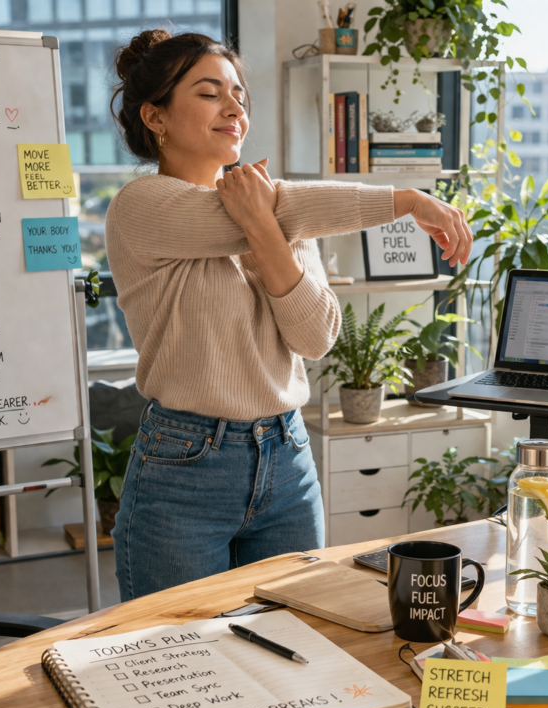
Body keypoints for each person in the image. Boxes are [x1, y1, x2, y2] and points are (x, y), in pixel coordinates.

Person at [105, 30, 473, 601]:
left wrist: (265, 230)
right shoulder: (141, 207)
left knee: (295, 641)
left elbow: (315, 336)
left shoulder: (279, 218)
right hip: (185, 467)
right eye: (210, 94)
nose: (234, 109)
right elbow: (266, 211)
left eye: (239, 96)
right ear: (155, 116)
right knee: (182, 658)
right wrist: (405, 200)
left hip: (287, 459)